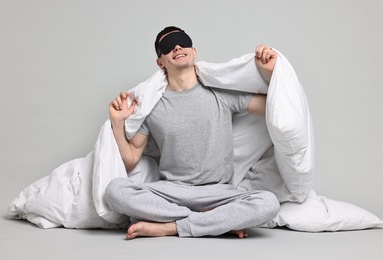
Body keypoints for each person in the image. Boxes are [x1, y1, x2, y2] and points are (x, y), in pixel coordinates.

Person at [105, 26, 280, 239]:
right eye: (168, 46)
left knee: (268, 203)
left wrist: (270, 72)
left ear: (193, 51)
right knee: (115, 191)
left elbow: (276, 107)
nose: (177, 46)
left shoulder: (220, 93)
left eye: (182, 40)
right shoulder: (152, 107)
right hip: (171, 193)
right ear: (160, 62)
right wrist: (117, 123)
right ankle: (215, 222)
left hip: (219, 194)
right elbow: (130, 159)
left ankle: (172, 227)